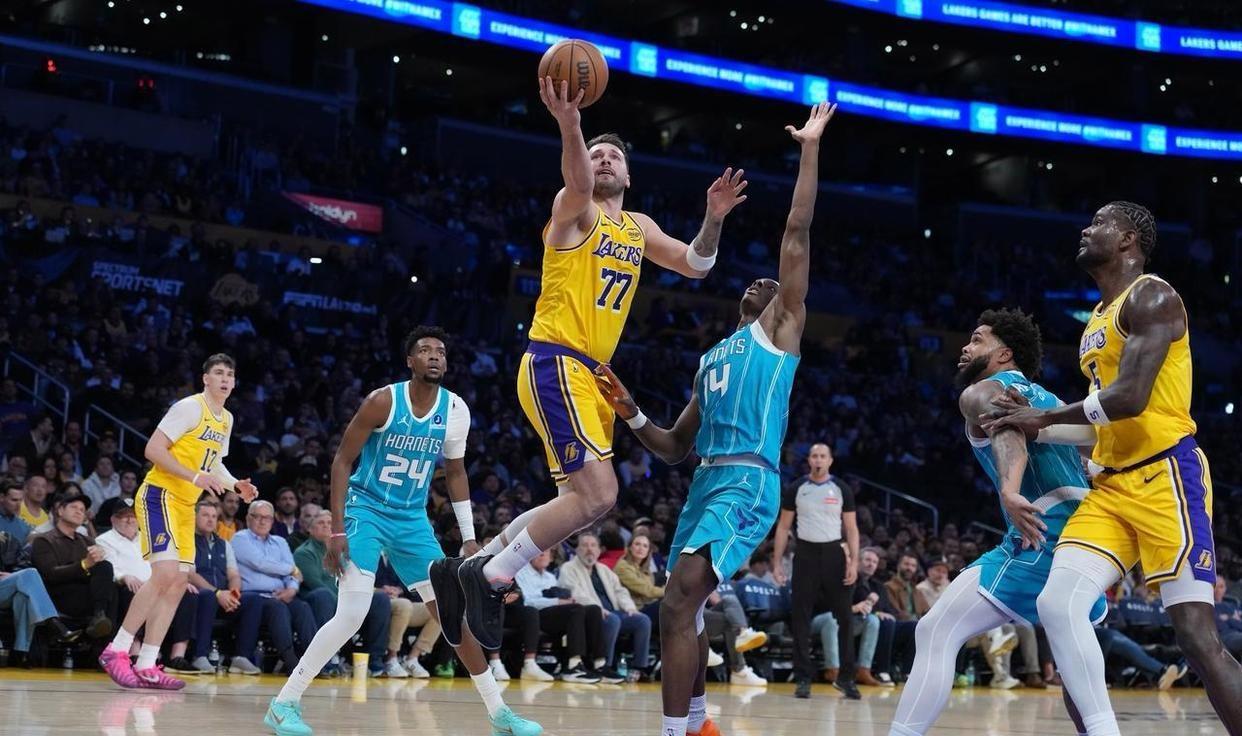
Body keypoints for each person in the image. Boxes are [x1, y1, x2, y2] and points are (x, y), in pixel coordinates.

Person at [437, 74, 749, 654]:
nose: (604, 160)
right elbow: (577, 180)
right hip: (556, 359)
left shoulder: (638, 227)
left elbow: (697, 264)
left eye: (615, 157)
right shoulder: (573, 210)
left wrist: (714, 215)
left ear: (629, 177)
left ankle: (474, 565)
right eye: (597, 154)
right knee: (601, 494)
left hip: (590, 376)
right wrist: (571, 123)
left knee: (577, 502)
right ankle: (491, 576)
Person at [594, 103, 836, 736]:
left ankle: (674, 731)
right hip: (705, 481)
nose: (763, 282)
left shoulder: (779, 331)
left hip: (748, 481)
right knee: (689, 611)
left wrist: (809, 149)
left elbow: (797, 230)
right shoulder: (712, 358)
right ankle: (700, 723)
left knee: (676, 603)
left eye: (772, 283)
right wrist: (631, 410)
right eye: (755, 282)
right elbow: (674, 446)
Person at [985, 203, 1242, 735]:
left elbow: (1130, 398)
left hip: (1166, 477)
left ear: (1128, 239)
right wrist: (1033, 427)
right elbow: (1103, 419)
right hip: (1109, 485)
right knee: (1058, 605)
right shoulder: (1097, 320)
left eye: (1099, 222)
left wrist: (1044, 416)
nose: (1086, 228)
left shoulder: (1153, 296)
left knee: (1196, 638)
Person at [265, 326, 540, 736]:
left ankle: (499, 713)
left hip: (411, 518)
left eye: (440, 350)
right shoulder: (383, 401)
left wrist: (468, 537)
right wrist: (337, 531)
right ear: (410, 361)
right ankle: (284, 703)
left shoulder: (456, 410)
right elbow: (342, 461)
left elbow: (456, 472)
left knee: (451, 615)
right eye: (425, 350)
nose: (434, 356)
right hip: (365, 510)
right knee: (352, 612)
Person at [889, 309, 1106, 736]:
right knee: (1072, 662)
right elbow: (1096, 454)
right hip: (1086, 540)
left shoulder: (986, 390)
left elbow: (1004, 426)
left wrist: (1009, 489)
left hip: (1041, 534)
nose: (965, 347)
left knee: (936, 630)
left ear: (1004, 354)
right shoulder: (1054, 401)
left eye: (977, 339)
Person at [99, 354, 258, 690]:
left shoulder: (226, 419)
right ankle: (117, 649)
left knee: (178, 583)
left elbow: (214, 466)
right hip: (159, 495)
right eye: (218, 373)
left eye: (230, 374)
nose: (225, 379)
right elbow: (153, 450)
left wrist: (235, 485)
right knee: (165, 574)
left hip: (186, 505)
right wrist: (195, 476)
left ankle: (147, 663)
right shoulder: (189, 407)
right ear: (205, 379)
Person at [773, 442, 860, 699]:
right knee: (800, 618)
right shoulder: (797, 488)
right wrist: (777, 563)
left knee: (845, 618)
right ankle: (803, 678)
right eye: (814, 456)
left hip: (834, 554)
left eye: (823, 456)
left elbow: (851, 528)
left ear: (830, 460)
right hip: (805, 554)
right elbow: (783, 527)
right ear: (809, 460)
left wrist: (854, 562)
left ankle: (846, 678)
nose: (818, 460)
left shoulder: (841, 488)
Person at [293, 509, 391, 676]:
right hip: (316, 602)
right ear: (310, 529)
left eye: (330, 523)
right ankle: (324, 662)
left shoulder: (345, 551)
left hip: (343, 599)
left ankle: (375, 661)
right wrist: (347, 602)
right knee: (323, 595)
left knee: (380, 599)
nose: (326, 526)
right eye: (321, 523)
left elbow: (357, 578)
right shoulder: (304, 552)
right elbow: (315, 583)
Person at [558, 531, 650, 684]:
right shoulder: (568, 568)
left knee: (642, 620)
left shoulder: (604, 569)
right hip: (590, 614)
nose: (589, 549)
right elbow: (574, 593)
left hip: (613, 612)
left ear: (599, 550)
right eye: (585, 545)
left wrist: (629, 607)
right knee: (612, 620)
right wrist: (597, 608)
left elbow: (620, 591)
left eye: (593, 545)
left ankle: (639, 667)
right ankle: (604, 666)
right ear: (577, 549)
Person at [30, 493, 116, 640]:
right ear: (60, 511)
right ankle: (102, 625)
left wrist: (98, 559)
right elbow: (51, 574)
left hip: (88, 594)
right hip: (60, 595)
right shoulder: (43, 540)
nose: (78, 511)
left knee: (109, 574)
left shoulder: (88, 541)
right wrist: (85, 564)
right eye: (74, 507)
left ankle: (101, 621)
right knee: (109, 590)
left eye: (82, 510)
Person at [515, 548, 603, 684]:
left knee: (593, 610)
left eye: (546, 552)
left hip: (554, 614)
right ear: (530, 555)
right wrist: (558, 601)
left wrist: (566, 600)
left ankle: (599, 664)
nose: (543, 554)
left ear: (551, 558)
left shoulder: (550, 577)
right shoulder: (522, 573)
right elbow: (528, 602)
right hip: (534, 615)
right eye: (538, 552)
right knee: (575, 610)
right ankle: (573, 666)